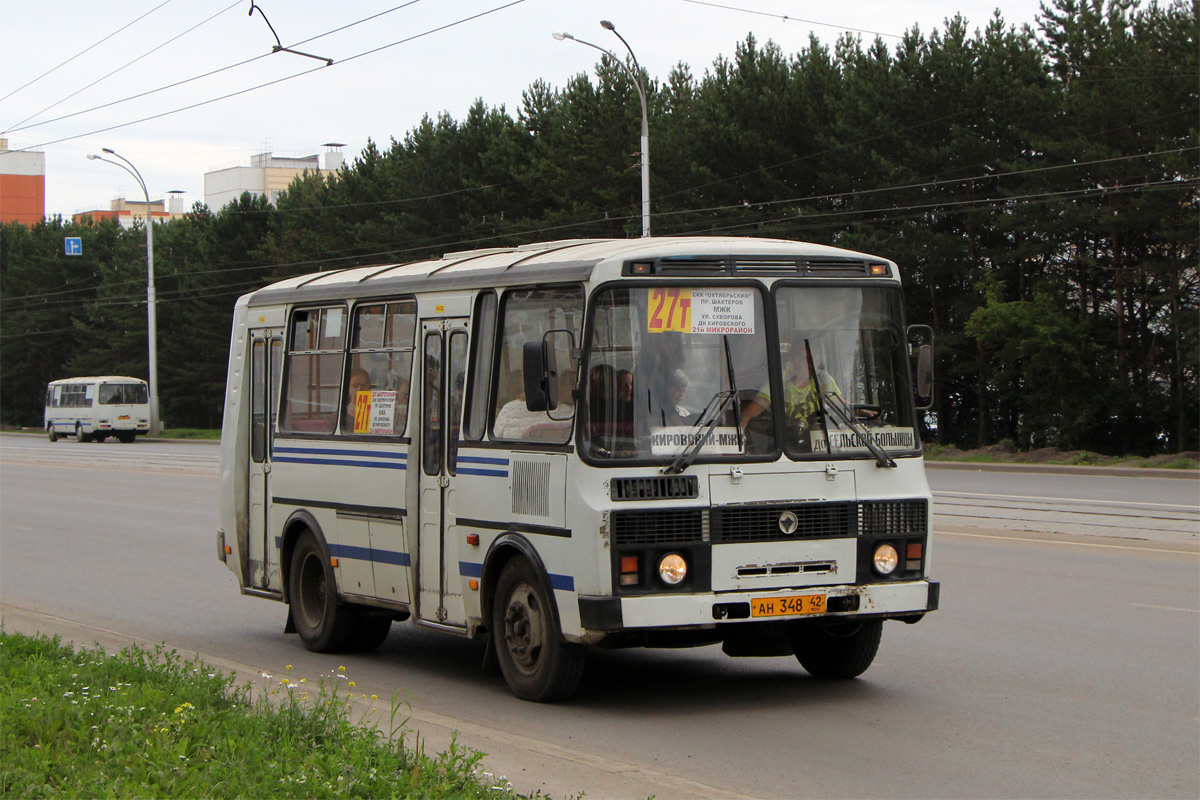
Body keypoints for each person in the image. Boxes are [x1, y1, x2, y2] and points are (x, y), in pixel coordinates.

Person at [740, 338, 840, 443]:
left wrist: (856, 410)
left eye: (813, 359)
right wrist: (745, 422)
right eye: (805, 359)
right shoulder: (780, 380)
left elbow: (840, 406)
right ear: (792, 360)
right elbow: (758, 406)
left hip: (817, 443)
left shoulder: (822, 379)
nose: (810, 364)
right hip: (787, 442)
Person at [344, 367, 372, 432]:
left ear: (369, 387)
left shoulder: (377, 413)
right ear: (348, 389)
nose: (359, 389)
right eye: (355, 386)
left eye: (363, 385)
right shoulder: (340, 415)